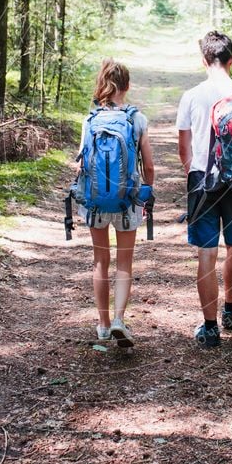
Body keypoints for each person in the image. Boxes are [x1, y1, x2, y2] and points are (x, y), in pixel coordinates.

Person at [176, 31, 232, 348]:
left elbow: (183, 148)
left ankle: (210, 328)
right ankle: (231, 309)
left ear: (204, 60)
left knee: (206, 251)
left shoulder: (191, 96)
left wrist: (196, 173)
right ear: (231, 59)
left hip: (202, 179)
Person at [78, 59, 154, 348]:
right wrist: (148, 190)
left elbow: (81, 163)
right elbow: (148, 165)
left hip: (96, 201)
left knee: (100, 261)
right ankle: (120, 319)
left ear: (103, 84)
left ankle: (103, 324)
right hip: (128, 200)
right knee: (124, 262)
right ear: (127, 86)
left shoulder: (90, 120)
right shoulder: (137, 119)